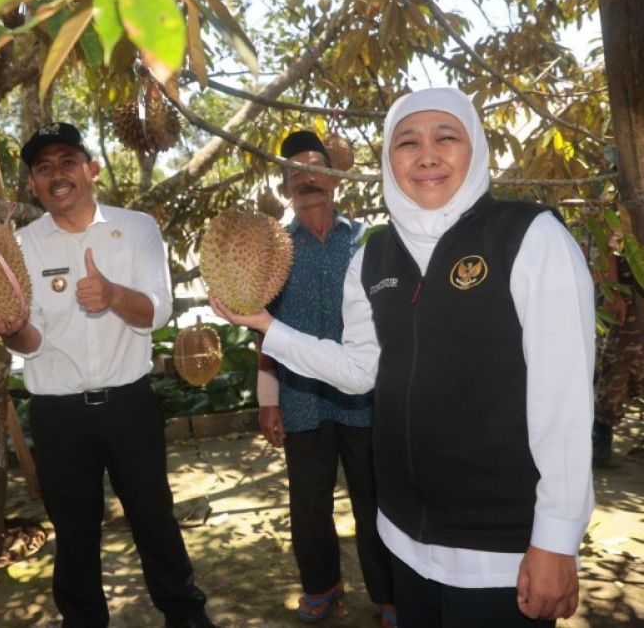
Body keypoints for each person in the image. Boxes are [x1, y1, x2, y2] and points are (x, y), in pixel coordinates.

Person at [212, 88, 594, 627]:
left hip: (500, 548)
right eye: (408, 142)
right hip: (405, 538)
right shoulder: (372, 256)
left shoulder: (529, 236)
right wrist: (265, 327)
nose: (427, 155)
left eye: (446, 137)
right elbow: (358, 371)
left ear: (475, 147)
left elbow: (564, 398)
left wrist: (557, 536)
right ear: (389, 160)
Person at [0, 122, 214, 628]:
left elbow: (157, 311)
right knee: (74, 532)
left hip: (129, 405)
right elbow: (31, 341)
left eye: (68, 161)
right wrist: (11, 329)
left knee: (154, 518)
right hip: (58, 415)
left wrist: (111, 295)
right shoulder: (20, 246)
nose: (57, 174)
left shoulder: (137, 229)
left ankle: (186, 616)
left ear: (92, 169)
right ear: (33, 184)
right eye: (43, 167)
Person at [257, 130, 395, 625]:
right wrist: (268, 399)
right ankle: (322, 586)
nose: (307, 178)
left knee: (374, 498)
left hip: (363, 398)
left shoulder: (367, 241)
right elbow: (262, 328)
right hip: (302, 397)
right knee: (309, 503)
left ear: (335, 178)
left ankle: (388, 593)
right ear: (284, 188)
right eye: (295, 172)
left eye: (316, 167)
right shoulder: (274, 250)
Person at [592, 245, 644, 466]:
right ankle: (601, 434)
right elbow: (607, 243)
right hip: (629, 290)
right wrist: (612, 292)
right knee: (617, 363)